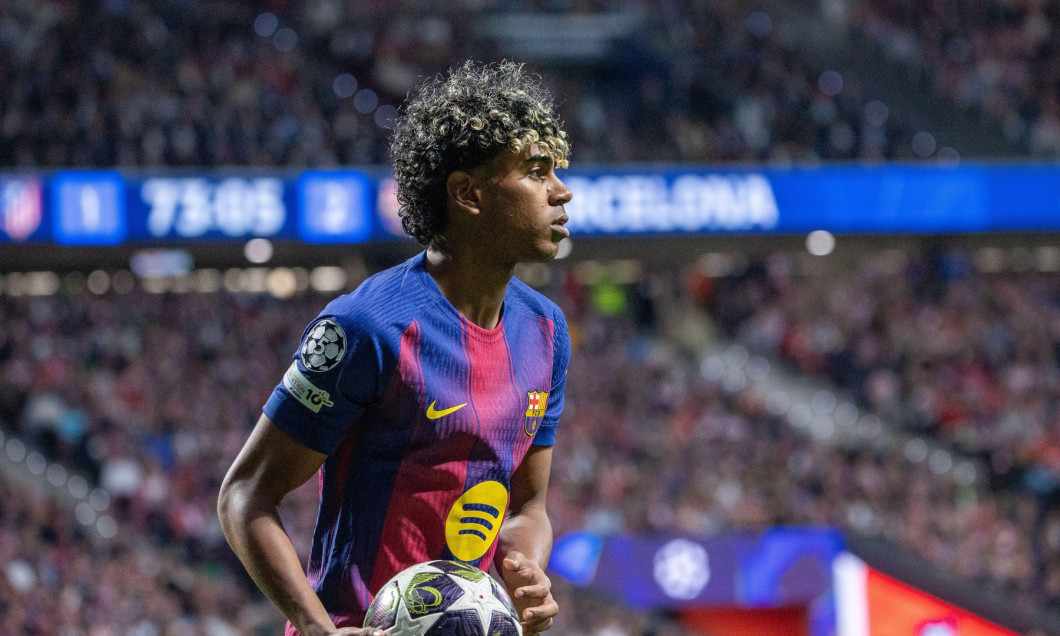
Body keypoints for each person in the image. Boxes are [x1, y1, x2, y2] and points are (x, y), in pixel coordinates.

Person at [217, 60, 573, 636]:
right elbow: (244, 495)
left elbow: (526, 508)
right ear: (468, 194)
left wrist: (525, 570)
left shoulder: (547, 331)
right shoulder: (366, 327)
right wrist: (316, 629)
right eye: (536, 172)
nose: (561, 191)